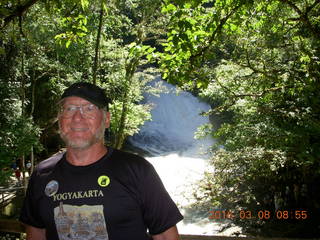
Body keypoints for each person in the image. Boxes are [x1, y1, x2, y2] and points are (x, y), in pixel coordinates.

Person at [19, 82, 183, 240]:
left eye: (89, 109)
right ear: (60, 119)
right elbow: (36, 233)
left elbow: (164, 235)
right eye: (69, 109)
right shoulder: (42, 174)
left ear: (106, 119)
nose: (77, 118)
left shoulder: (137, 170)